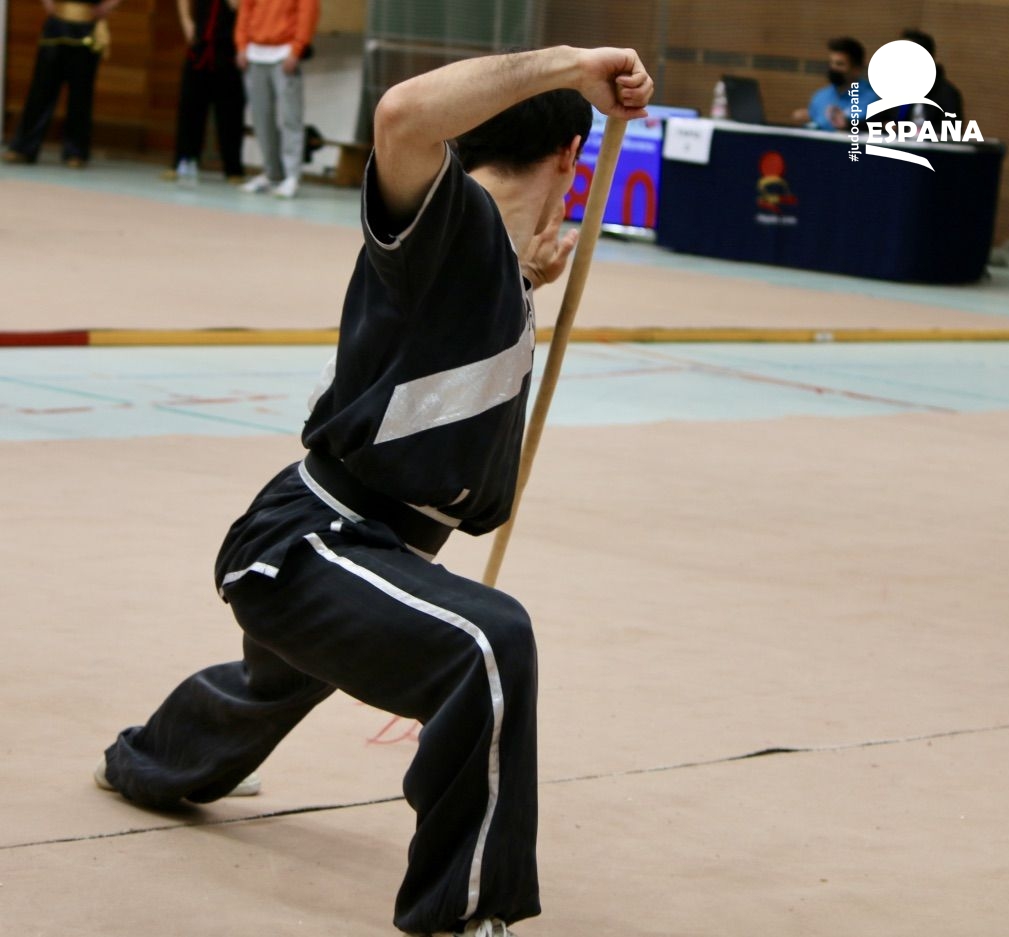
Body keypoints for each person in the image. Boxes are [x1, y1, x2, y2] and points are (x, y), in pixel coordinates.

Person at [95, 44, 654, 937]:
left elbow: (446, 351)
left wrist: (524, 278)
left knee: (276, 680)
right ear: (570, 157)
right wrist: (569, 65)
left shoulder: (490, 255)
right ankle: (461, 913)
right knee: (488, 642)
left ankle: (148, 761)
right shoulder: (448, 220)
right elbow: (398, 116)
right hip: (313, 541)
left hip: (354, 547)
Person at [3, 0, 123, 167]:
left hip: (86, 28)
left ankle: (76, 151)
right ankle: (24, 147)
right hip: (56, 27)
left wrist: (108, 5)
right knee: (40, 91)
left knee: (80, 93)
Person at [235, 0, 319, 198]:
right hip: (255, 54)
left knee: (291, 117)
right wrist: (241, 46)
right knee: (260, 118)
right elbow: (245, 11)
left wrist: (297, 49)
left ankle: (292, 176)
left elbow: (307, 14)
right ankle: (271, 172)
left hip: (284, 54)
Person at [167, 0, 246, 185]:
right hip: (200, 45)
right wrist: (186, 21)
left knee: (230, 112)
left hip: (229, 48)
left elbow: (239, 6)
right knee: (189, 107)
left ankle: (233, 169)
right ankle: (183, 162)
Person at [792, 36, 879, 132]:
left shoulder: (870, 99)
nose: (833, 68)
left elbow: (858, 127)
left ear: (856, 69)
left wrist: (845, 123)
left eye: (839, 64)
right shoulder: (820, 96)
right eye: (831, 63)